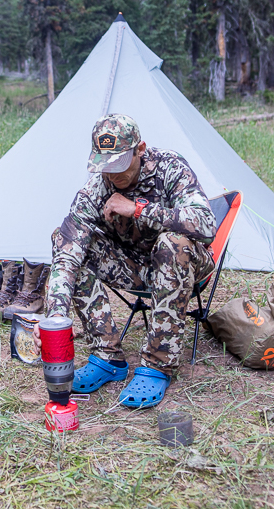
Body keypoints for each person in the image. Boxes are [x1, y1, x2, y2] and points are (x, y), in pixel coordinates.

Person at [35, 114, 216, 408]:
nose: (111, 176)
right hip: (137, 267)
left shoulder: (170, 167)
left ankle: (158, 364)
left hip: (186, 263)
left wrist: (138, 209)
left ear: (140, 149)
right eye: (105, 167)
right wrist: (55, 315)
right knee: (66, 240)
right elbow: (68, 251)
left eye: (118, 166)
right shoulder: (97, 189)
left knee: (172, 243)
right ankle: (107, 356)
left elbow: (206, 225)